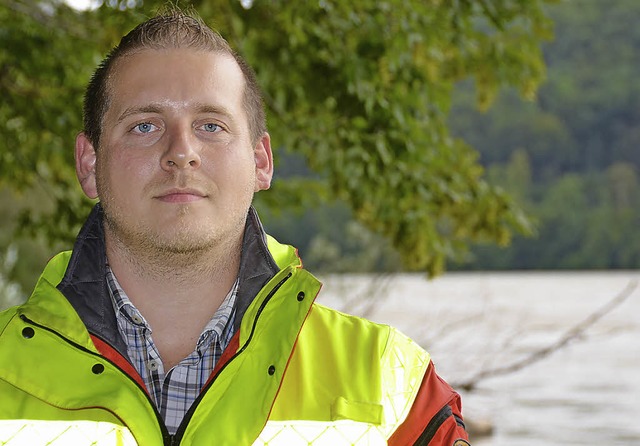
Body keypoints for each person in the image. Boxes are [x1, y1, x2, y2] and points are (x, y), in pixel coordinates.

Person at [0, 9, 470, 446]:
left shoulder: (391, 389)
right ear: (89, 164)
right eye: (144, 126)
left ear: (261, 162)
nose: (181, 152)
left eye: (211, 126)